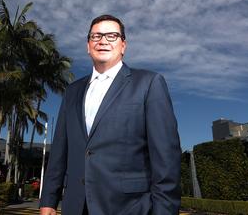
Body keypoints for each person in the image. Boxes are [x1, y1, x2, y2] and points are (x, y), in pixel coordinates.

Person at [39, 14, 181, 215]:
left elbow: (166, 158)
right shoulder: (72, 91)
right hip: (75, 207)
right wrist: (48, 201)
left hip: (130, 208)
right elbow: (60, 152)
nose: (103, 40)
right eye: (96, 36)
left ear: (123, 45)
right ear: (88, 46)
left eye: (112, 36)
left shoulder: (149, 83)